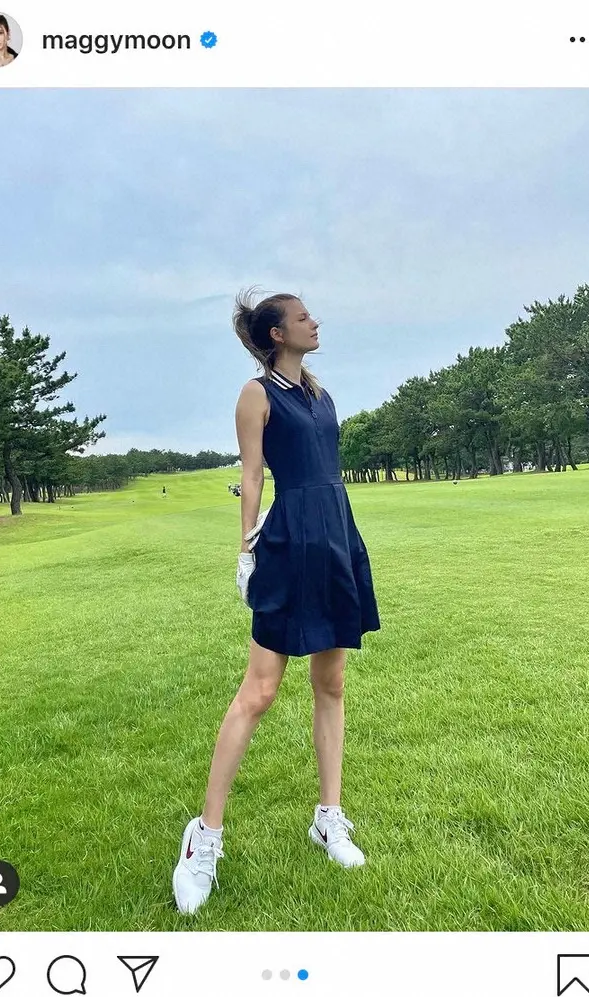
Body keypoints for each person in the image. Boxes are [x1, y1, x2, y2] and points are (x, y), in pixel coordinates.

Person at [172, 287, 381, 915]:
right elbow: (254, 473)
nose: (315, 322)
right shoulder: (256, 394)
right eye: (302, 317)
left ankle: (329, 818)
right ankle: (203, 838)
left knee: (332, 682)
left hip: (335, 535)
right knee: (259, 692)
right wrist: (246, 550)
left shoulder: (321, 395)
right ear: (276, 335)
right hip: (289, 542)